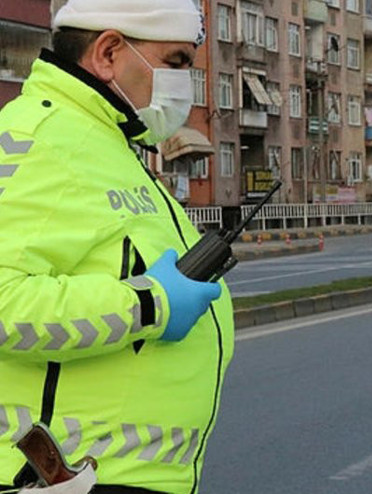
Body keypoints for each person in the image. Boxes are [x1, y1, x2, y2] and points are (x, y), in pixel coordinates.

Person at [0, 1, 233, 493]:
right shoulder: (40, 139)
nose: (183, 86)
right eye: (175, 62)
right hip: (60, 480)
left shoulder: (105, 144)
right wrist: (150, 303)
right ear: (108, 52)